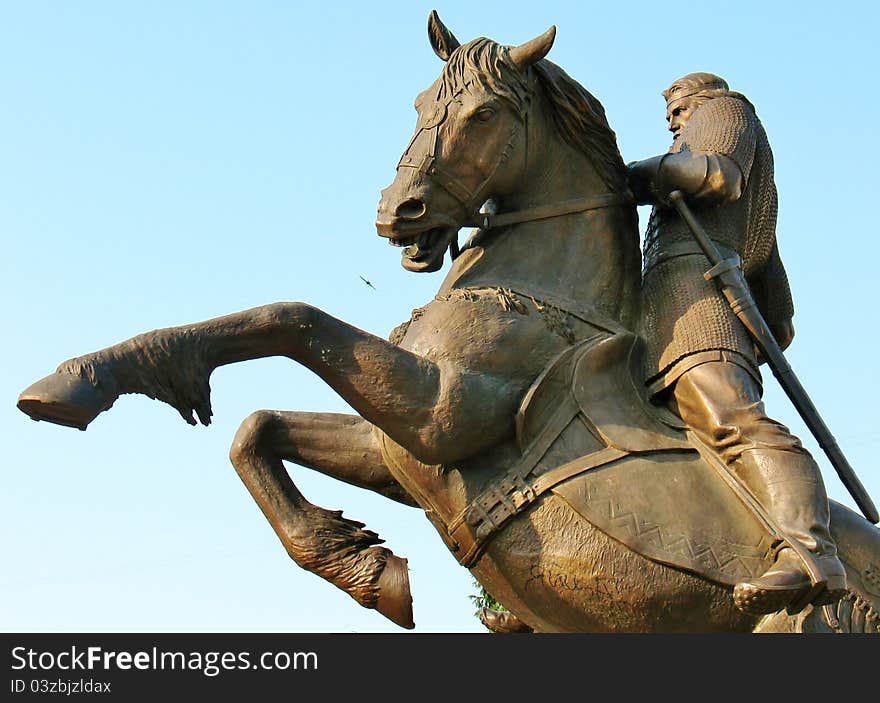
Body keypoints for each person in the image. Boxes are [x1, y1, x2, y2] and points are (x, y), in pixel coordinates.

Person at [626, 72, 846, 615]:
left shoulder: (726, 111)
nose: (674, 116)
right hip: (659, 301)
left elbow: (719, 177)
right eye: (670, 111)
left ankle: (809, 551)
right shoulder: (686, 143)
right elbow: (775, 287)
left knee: (729, 417)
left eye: (681, 105)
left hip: (698, 301)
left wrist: (624, 176)